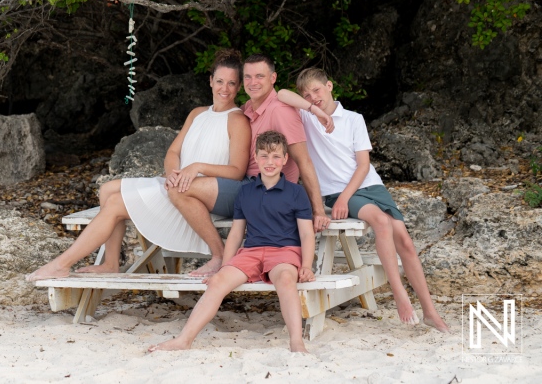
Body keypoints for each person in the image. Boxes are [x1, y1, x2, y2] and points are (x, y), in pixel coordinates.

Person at [26, 49, 251, 281]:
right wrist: (173, 171)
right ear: (211, 81)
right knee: (107, 189)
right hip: (181, 181)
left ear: (239, 87)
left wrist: (196, 167)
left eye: (231, 83)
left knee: (116, 204)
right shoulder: (197, 114)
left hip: (209, 189)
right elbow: (173, 151)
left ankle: (62, 264)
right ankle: (111, 262)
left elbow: (237, 171)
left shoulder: (237, 120)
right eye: (220, 81)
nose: (225, 88)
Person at [275, 67, 450, 332]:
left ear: (330, 86)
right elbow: (281, 94)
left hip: (368, 185)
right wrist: (314, 111)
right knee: (381, 222)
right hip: (334, 191)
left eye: (317, 91)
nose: (313, 97)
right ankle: (399, 294)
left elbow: (363, 165)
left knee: (405, 241)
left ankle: (429, 311)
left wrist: (347, 197)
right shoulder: (306, 116)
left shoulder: (353, 119)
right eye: (307, 94)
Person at [148, 131, 316, 353]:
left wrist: (306, 266)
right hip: (251, 252)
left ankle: (296, 341)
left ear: (285, 160)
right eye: (264, 156)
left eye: (276, 157)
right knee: (218, 282)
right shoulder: (246, 192)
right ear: (255, 157)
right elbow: (237, 233)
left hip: (284, 252)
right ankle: (184, 340)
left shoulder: (296, 192)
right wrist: (226, 266)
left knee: (285, 279)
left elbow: (306, 234)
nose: (270, 162)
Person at [241, 54, 333, 233]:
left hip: (270, 188)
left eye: (259, 76)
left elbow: (303, 161)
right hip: (248, 184)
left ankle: (219, 254)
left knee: (188, 191)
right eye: (247, 77)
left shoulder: (280, 110)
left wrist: (318, 210)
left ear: (273, 78)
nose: (253, 82)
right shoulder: (247, 108)